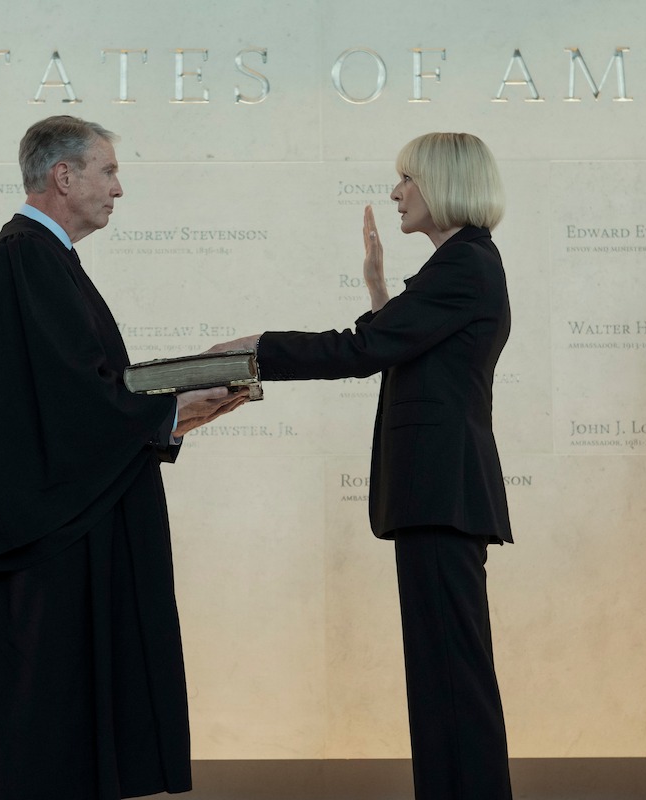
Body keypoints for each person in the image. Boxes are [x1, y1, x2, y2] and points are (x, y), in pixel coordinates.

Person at [0, 115, 246, 800]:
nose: (119, 189)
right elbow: (70, 401)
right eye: (108, 171)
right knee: (51, 737)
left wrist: (178, 399)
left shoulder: (39, 258)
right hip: (45, 547)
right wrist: (170, 409)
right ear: (63, 176)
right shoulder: (24, 257)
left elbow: (82, 389)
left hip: (63, 533)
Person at [212, 132, 515, 800]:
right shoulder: (460, 267)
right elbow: (405, 348)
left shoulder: (464, 265)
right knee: (443, 682)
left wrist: (260, 348)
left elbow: (365, 349)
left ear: (442, 184)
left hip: (442, 498)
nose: (395, 192)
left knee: (453, 685)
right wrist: (379, 286)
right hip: (438, 499)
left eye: (406, 178)